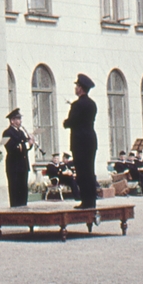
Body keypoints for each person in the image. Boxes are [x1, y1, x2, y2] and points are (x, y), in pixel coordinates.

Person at [63, 73, 99, 209]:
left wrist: (65, 122)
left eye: (77, 86)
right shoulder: (92, 104)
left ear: (81, 88)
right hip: (90, 140)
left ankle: (86, 201)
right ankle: (92, 200)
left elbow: (70, 122)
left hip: (79, 142)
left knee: (82, 172)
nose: (75, 88)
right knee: (90, 170)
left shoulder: (77, 105)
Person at [2, 108, 32, 207]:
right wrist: (27, 144)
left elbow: (24, 147)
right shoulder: (7, 133)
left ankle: (24, 208)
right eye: (18, 119)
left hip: (23, 165)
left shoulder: (21, 132)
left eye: (20, 118)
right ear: (12, 120)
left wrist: (30, 143)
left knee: (23, 190)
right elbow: (13, 148)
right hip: (14, 166)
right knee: (15, 190)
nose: (20, 121)